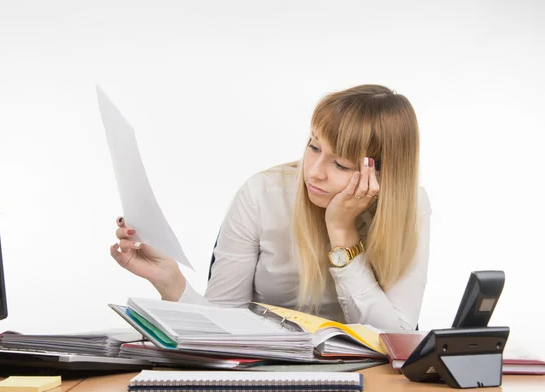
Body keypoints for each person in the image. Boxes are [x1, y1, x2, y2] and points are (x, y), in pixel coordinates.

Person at [110, 84, 431, 331]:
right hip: (264, 375)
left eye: (341, 164)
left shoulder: (410, 205)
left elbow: (397, 337)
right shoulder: (261, 194)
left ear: (382, 174)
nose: (315, 171)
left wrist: (343, 234)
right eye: (313, 146)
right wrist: (170, 280)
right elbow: (220, 325)